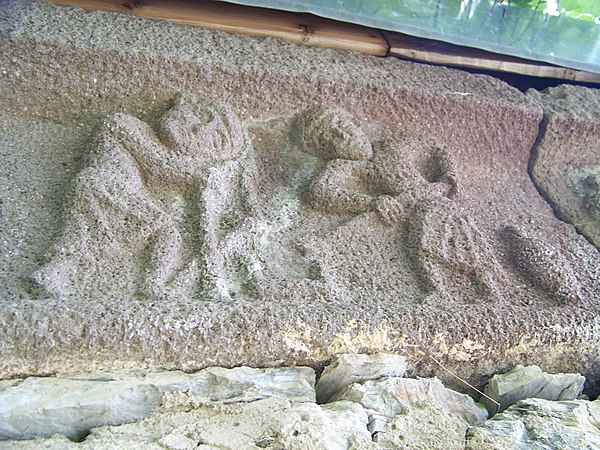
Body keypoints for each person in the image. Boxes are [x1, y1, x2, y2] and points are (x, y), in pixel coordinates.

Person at [34, 94, 256, 301]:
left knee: (87, 240)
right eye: (201, 117)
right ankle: (151, 286)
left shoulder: (148, 140)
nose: (198, 129)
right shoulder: (123, 124)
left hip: (103, 190)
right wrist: (199, 175)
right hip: (103, 187)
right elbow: (159, 166)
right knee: (166, 233)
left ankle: (58, 273)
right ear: (183, 103)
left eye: (214, 141)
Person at [301, 105, 505, 303]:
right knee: (421, 244)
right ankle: (439, 290)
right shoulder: (348, 166)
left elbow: (436, 146)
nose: (343, 135)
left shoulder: (392, 146)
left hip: (435, 201)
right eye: (328, 138)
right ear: (326, 152)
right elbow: (319, 191)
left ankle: (488, 290)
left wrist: (448, 175)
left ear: (355, 123)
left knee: (461, 244)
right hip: (408, 210)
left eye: (341, 124)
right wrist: (371, 202)